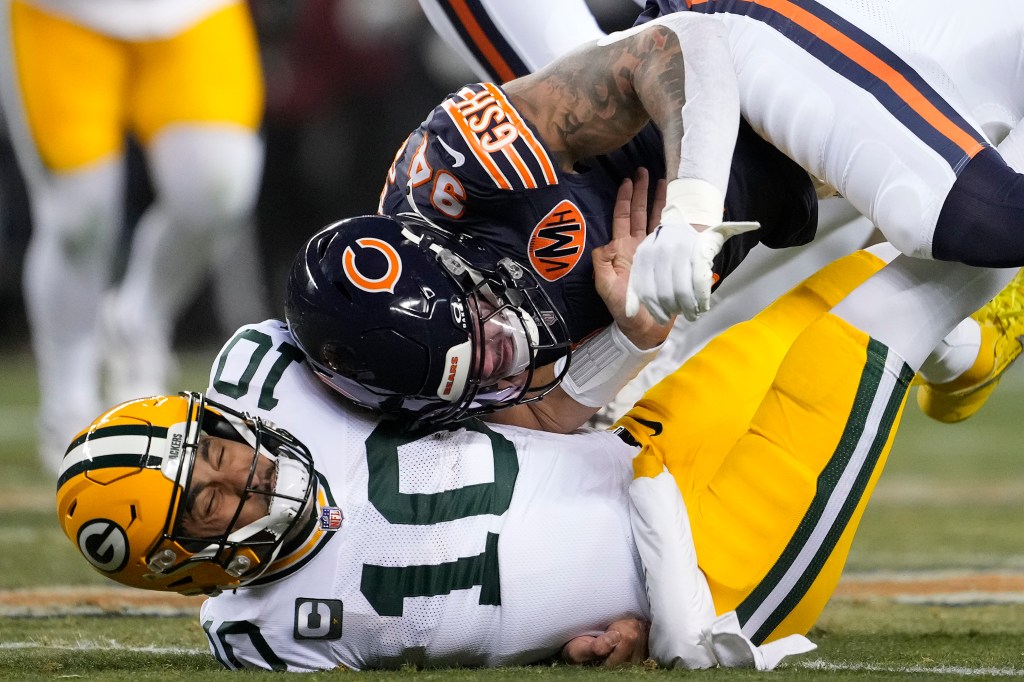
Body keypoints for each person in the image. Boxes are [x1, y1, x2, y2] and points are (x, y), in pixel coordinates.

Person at [56, 183, 1016, 671]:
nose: (241, 483)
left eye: (216, 458)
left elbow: (535, 419)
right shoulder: (270, 637)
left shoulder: (277, 376)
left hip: (640, 448)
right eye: (209, 506)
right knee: (885, 315)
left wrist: (631, 337)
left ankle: (972, 361)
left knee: (836, 287)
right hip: (713, 575)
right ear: (189, 571)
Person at [0, 0, 268, 472]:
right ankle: (69, 400)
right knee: (78, 220)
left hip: (193, 12)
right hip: (59, 13)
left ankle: (138, 319)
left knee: (218, 189)